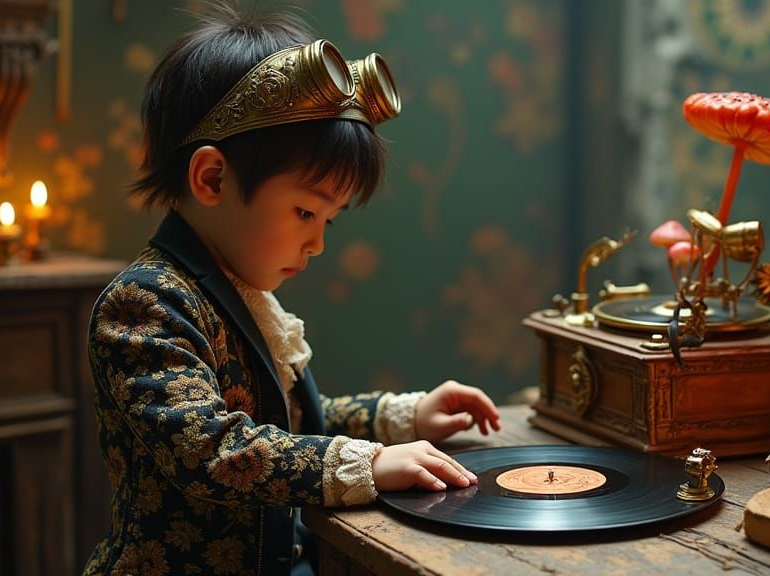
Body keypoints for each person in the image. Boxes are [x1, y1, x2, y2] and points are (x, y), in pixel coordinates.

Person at [82, 4, 501, 575]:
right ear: (212, 178)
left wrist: (401, 418)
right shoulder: (144, 303)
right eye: (305, 211)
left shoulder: (240, 291)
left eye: (329, 220)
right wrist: (369, 463)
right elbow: (212, 449)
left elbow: (286, 422)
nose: (317, 243)